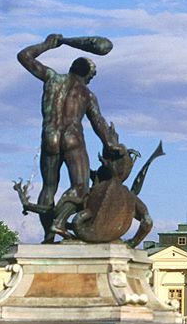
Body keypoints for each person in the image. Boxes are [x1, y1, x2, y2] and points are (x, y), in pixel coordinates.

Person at [17, 34, 121, 243]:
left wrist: (47, 45)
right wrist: (109, 143)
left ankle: (48, 237)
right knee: (81, 187)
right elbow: (97, 121)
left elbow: (24, 56)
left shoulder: (52, 78)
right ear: (87, 75)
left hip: (49, 136)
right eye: (91, 77)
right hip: (72, 138)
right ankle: (60, 220)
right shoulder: (86, 94)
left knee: (49, 187)